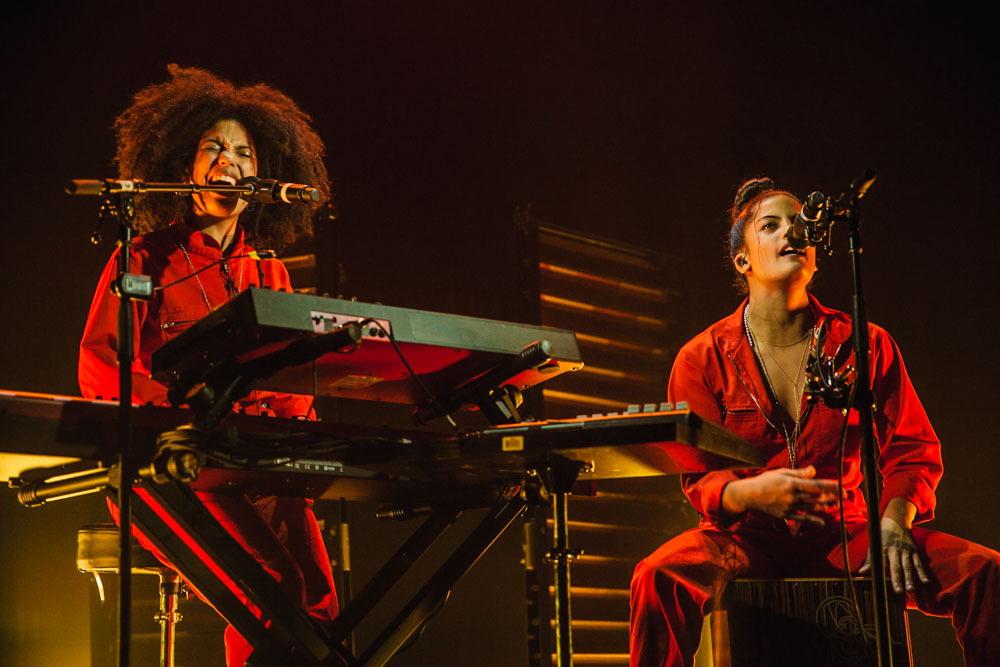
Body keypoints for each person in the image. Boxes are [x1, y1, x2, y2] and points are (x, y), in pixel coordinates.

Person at [629, 177, 1000, 666]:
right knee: (656, 576)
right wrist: (750, 494)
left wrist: (895, 522)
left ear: (817, 255)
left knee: (984, 572)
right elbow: (699, 477)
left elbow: (912, 450)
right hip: (745, 540)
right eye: (771, 225)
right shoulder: (701, 357)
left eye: (800, 223)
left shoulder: (865, 342)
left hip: (847, 536)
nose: (793, 232)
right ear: (743, 260)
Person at [78, 65, 337, 666]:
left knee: (319, 599)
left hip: (258, 465)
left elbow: (294, 383)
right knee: (270, 584)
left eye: (244, 151)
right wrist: (173, 414)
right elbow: (99, 364)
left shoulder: (269, 273)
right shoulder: (143, 258)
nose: (230, 160)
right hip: (172, 467)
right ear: (186, 167)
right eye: (213, 147)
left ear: (263, 170)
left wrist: (285, 427)